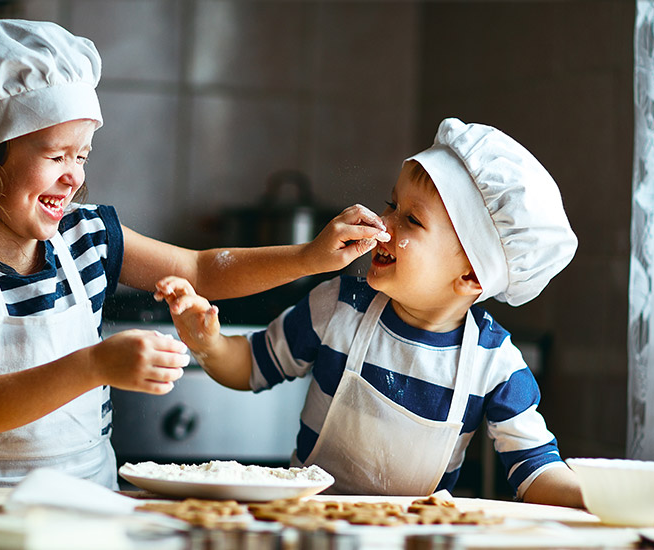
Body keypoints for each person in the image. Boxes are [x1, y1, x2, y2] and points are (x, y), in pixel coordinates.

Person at [0, 20, 389, 488]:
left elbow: (201, 268)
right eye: (56, 155)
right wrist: (93, 366)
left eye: (82, 155)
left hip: (90, 500)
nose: (75, 176)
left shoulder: (88, 237)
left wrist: (309, 258)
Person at [154, 119, 586, 507]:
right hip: (307, 529)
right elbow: (250, 366)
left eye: (411, 221)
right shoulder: (338, 306)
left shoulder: (496, 364)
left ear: (472, 275)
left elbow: (536, 471)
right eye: (390, 204)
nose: (383, 224)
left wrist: (600, 497)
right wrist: (208, 343)